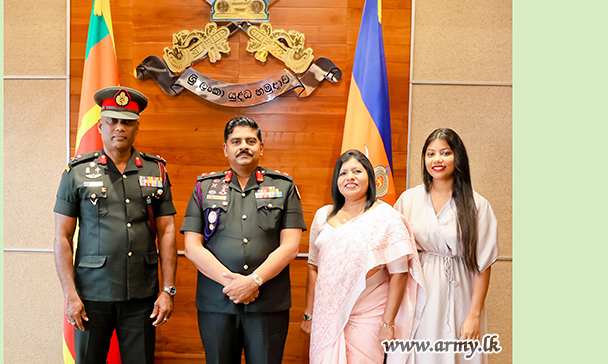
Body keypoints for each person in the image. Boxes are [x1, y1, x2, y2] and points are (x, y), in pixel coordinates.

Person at [53, 86, 178, 364]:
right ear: (100, 126)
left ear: (137, 127)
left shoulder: (155, 170)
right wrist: (70, 295)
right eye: (112, 121)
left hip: (142, 296)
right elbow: (62, 237)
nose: (119, 127)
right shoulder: (77, 172)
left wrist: (167, 290)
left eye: (127, 122)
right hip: (91, 296)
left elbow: (167, 232)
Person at [181, 116, 306, 364]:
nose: (244, 146)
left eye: (250, 141)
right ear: (225, 148)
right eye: (236, 141)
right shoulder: (204, 187)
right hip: (217, 302)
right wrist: (234, 285)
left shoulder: (283, 186)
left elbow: (291, 246)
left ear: (261, 147)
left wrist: (253, 281)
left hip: (267, 303)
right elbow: (192, 248)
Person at [301, 150, 425, 364]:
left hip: (368, 314)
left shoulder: (386, 218)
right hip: (326, 316)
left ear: (370, 177)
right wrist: (309, 314)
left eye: (357, 171)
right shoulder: (323, 216)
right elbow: (313, 266)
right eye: (343, 173)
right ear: (336, 181)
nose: (350, 177)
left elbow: (400, 273)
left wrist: (387, 323)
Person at [394, 128, 499, 364]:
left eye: (445, 152)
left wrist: (474, 315)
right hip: (417, 291)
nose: (437, 159)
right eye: (430, 154)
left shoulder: (477, 204)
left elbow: (483, 265)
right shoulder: (408, 200)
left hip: (461, 293)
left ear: (457, 157)